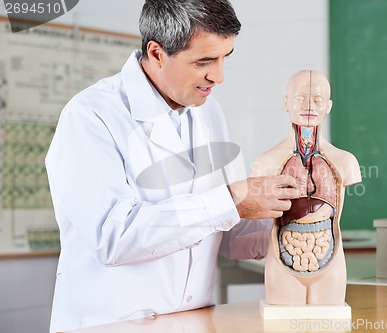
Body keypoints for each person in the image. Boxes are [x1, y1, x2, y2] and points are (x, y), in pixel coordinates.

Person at [45, 1, 299, 332]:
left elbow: (224, 233)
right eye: (204, 61)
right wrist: (232, 198)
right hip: (111, 324)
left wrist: (287, 219)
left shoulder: (207, 111)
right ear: (157, 53)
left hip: (193, 322)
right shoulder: (90, 116)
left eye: (224, 58)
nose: (218, 76)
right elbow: (113, 237)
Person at [252, 70, 361, 306]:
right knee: (284, 326)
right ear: (286, 103)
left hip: (329, 256)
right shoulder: (266, 162)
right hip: (283, 255)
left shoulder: (345, 162)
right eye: (301, 98)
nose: (309, 105)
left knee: (330, 326)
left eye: (317, 99)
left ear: (328, 106)